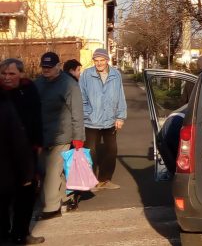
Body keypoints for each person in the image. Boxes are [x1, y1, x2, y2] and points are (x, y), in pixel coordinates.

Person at [34, 52, 85, 221]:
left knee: (51, 172)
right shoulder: (39, 82)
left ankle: (51, 208)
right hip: (42, 135)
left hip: (62, 136)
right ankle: (67, 197)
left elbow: (77, 112)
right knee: (46, 171)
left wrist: (78, 138)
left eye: (49, 67)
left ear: (58, 66)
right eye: (44, 67)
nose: (46, 70)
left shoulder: (69, 84)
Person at [0, 59, 45, 244]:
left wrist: (38, 143)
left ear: (21, 74)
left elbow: (37, 118)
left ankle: (22, 233)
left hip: (26, 151)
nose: (7, 78)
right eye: (3, 74)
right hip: (3, 154)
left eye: (11, 74)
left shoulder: (29, 90)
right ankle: (3, 235)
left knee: (26, 194)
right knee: (3, 198)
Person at [80, 48, 127, 190]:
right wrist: (87, 112)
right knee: (90, 151)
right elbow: (81, 96)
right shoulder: (86, 75)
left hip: (110, 120)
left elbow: (120, 96)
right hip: (91, 121)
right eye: (96, 61)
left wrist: (120, 116)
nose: (99, 63)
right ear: (93, 61)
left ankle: (105, 179)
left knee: (111, 150)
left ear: (107, 60)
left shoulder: (115, 74)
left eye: (102, 60)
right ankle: (91, 181)